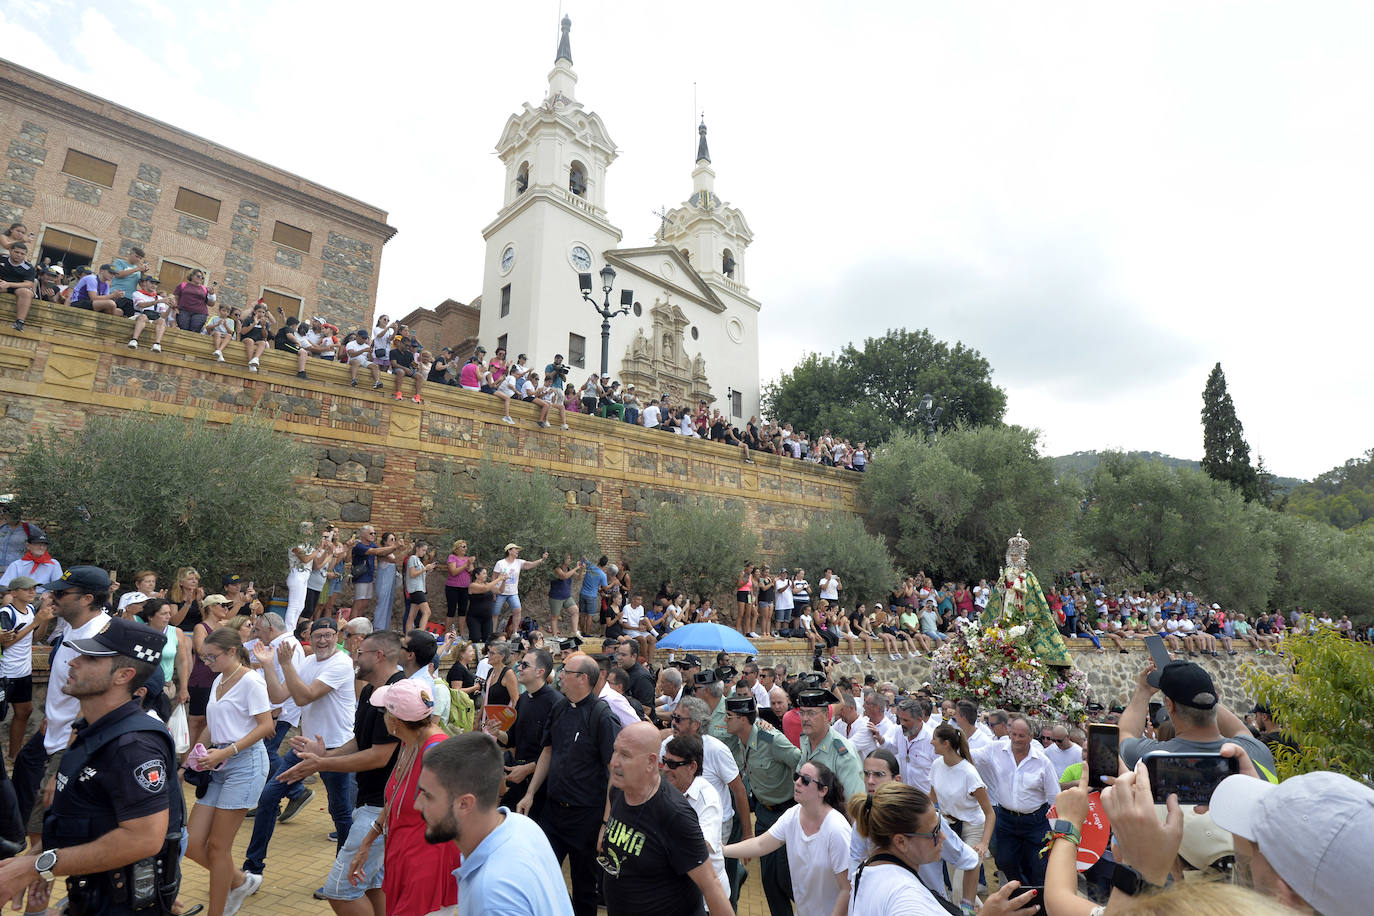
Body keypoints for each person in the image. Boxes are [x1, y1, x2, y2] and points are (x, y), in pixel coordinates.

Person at [0, 618, 184, 916]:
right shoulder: (90, 728)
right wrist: (38, 859)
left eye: (89, 658)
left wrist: (34, 867)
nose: (74, 662)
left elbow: (143, 839)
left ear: (123, 675)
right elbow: (89, 815)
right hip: (92, 897)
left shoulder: (133, 745)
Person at [270, 628, 403, 914]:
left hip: (384, 806)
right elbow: (359, 742)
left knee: (340, 891)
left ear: (378, 656)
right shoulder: (370, 691)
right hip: (371, 803)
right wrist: (326, 755)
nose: (355, 658)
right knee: (372, 884)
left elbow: (379, 756)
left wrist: (322, 763)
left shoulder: (397, 694)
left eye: (360, 653)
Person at [242, 618, 357, 877]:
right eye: (318, 636)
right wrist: (271, 665)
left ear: (336, 636)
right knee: (269, 797)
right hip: (307, 747)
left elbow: (304, 696)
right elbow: (278, 696)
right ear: (310, 637)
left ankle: (342, 876)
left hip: (336, 750)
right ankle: (252, 868)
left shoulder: (341, 663)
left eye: (329, 635)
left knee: (340, 813)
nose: (323, 640)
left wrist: (284, 665)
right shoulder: (308, 662)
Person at [415, 731, 573, 916]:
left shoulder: (493, 896)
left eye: (428, 795)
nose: (417, 805)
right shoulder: (521, 825)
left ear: (464, 804)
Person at [339, 679, 461, 916]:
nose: (381, 716)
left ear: (394, 721)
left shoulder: (435, 751)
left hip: (427, 865)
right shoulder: (410, 742)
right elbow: (394, 799)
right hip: (404, 856)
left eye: (383, 712)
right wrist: (368, 841)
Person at [10, 567, 112, 842]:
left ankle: (32, 873)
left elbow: (93, 700)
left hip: (70, 743)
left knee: (45, 822)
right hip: (54, 732)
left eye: (61, 593)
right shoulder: (76, 627)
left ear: (87, 599)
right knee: (27, 780)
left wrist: (66, 760)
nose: (52, 597)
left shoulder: (97, 636)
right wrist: (52, 716)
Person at [516, 652, 622, 916]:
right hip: (553, 812)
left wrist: (605, 825)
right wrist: (530, 793)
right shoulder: (560, 707)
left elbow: (614, 773)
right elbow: (548, 751)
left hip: (586, 817)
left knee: (585, 888)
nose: (560, 675)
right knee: (540, 875)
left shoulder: (602, 716)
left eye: (566, 671)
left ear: (583, 679)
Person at [183, 626, 272, 916]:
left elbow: (266, 726)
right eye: (204, 657)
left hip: (245, 764)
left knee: (219, 846)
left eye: (212, 657)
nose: (207, 663)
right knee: (191, 842)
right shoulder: (220, 678)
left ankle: (218, 910)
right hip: (217, 764)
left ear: (232, 652)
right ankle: (239, 881)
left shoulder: (251, 682)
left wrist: (227, 751)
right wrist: (193, 757)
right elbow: (212, 724)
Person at [602, 721, 734, 916]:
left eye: (625, 755)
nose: (614, 762)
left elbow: (711, 884)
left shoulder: (675, 815)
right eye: (615, 751)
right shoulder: (619, 792)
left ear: (650, 762)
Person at [848, 782, 1037, 916]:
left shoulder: (865, 872)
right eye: (935, 831)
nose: (943, 837)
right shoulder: (905, 896)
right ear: (901, 842)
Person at [725, 759, 853, 916]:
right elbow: (760, 845)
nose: (798, 782)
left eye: (805, 780)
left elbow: (847, 889)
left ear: (823, 791)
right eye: (797, 776)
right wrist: (721, 850)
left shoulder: (837, 829)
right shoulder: (792, 815)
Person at [1118, 660, 1276, 777]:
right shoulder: (1255, 751)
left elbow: (1125, 734)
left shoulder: (1152, 758)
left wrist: (1143, 691)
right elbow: (1240, 730)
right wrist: (1198, 687)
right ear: (1216, 698)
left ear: (1169, 705)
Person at [987, 714, 1059, 888]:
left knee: (1038, 867)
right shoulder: (996, 750)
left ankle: (1038, 904)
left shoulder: (1043, 763)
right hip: (1006, 820)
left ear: (1031, 737)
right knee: (1004, 861)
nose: (1016, 739)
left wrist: (1057, 831)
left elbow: (1054, 798)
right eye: (1013, 735)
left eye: (1021, 736)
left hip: (1035, 822)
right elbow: (969, 754)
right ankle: (1022, 890)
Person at [930, 723, 995, 913]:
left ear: (946, 743)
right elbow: (931, 799)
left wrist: (984, 843)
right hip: (949, 828)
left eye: (935, 738)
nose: (931, 741)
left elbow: (990, 813)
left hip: (973, 829)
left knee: (959, 890)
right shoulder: (936, 765)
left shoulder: (969, 773)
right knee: (962, 891)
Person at [486, 646, 560, 811]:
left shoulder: (556, 703)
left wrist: (528, 768)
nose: (518, 668)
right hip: (518, 775)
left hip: (543, 783)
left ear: (540, 672)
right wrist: (497, 731)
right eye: (520, 664)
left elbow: (559, 750)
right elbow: (511, 739)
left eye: (524, 665)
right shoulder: (523, 700)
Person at [661, 734, 729, 901]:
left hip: (704, 896)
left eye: (672, 764)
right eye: (664, 761)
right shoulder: (665, 787)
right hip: (677, 889)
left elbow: (702, 844)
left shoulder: (707, 799)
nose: (665, 768)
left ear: (692, 767)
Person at [492, 543, 548, 636]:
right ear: (509, 551)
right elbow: (494, 577)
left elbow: (530, 565)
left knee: (517, 610)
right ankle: (492, 634)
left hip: (513, 593)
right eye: (515, 549)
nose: (517, 551)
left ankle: (514, 633)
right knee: (495, 613)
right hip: (500, 592)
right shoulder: (500, 563)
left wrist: (542, 560)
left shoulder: (519, 562)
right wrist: (493, 592)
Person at [0, 239, 38, 332]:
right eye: (17, 252)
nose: (19, 255)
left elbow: (29, 283)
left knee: (26, 292)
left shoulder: (29, 267)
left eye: (22, 254)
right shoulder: (2, 259)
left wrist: (9, 284)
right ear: (10, 251)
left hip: (19, 287)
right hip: (2, 285)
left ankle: (19, 322)